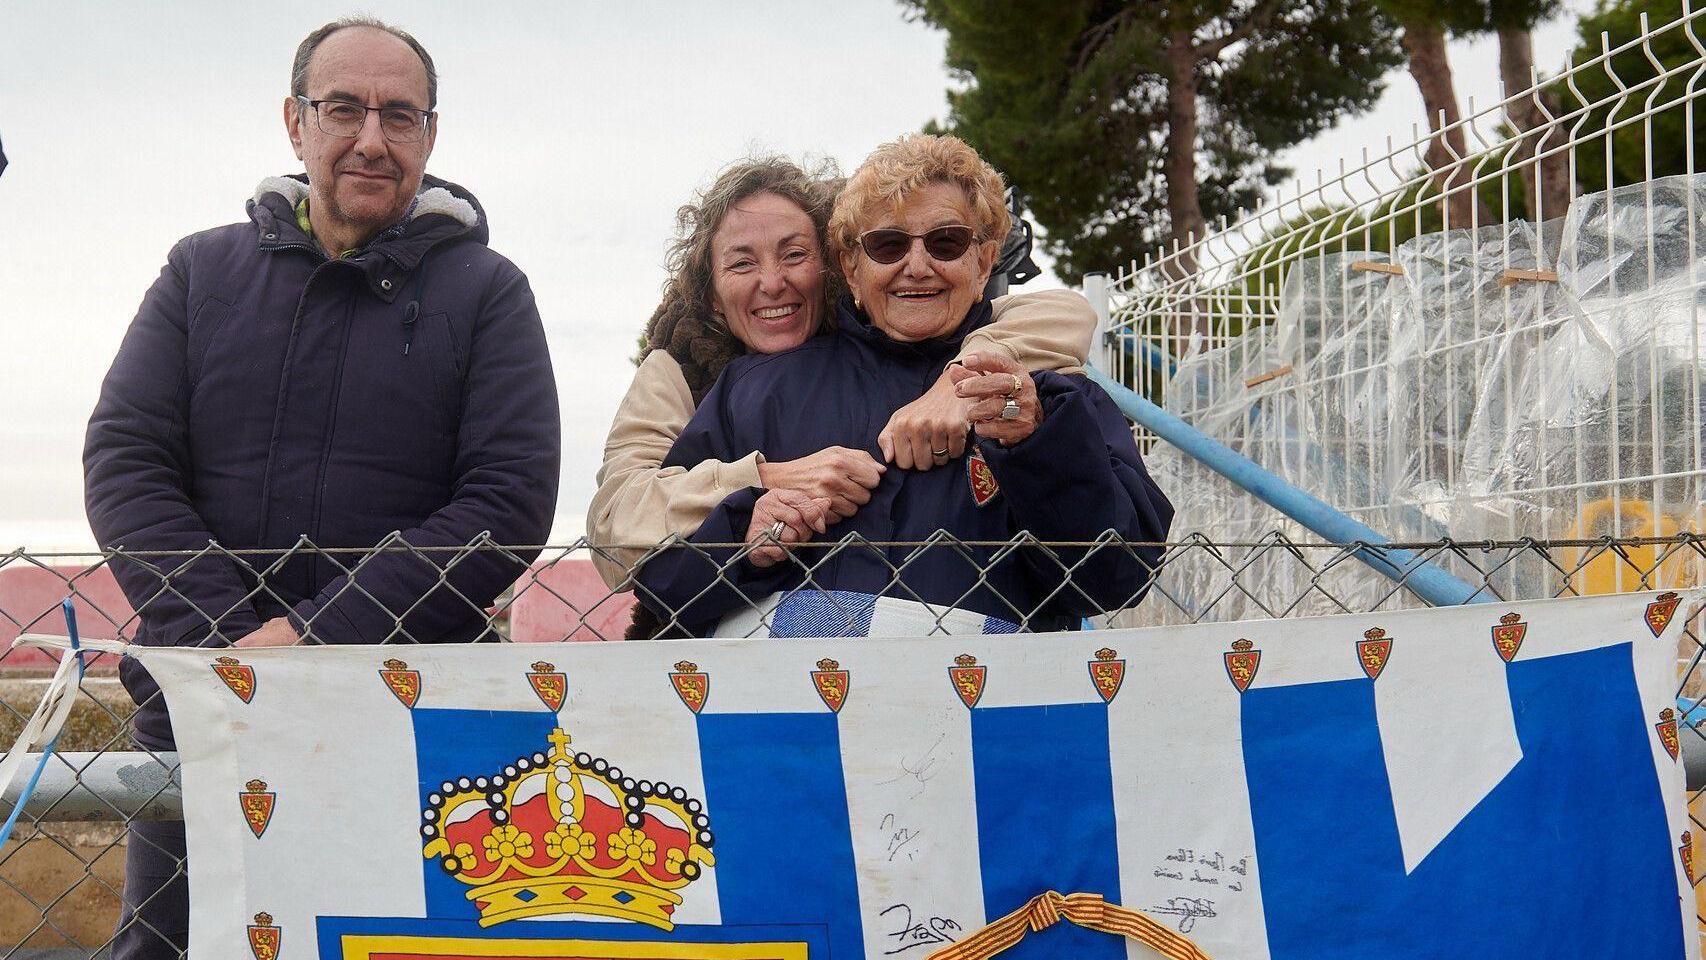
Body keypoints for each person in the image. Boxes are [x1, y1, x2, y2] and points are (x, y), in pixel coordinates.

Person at [81, 17, 559, 958]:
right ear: (294, 122)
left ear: (431, 135)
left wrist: (311, 642)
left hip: (399, 710)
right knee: (175, 946)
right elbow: (126, 459)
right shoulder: (200, 272)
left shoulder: (490, 291)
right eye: (344, 108)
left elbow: (505, 500)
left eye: (400, 115)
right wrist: (231, 648)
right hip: (200, 705)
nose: (372, 139)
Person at [634, 134, 1171, 637]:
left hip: (987, 717)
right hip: (801, 724)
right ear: (850, 266)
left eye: (946, 242)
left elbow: (1117, 578)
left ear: (984, 261)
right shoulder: (752, 391)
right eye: (888, 245)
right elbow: (661, 591)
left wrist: (1032, 446)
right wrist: (743, 537)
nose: (917, 266)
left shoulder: (1044, 395)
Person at [589, 157, 1098, 593]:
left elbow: (1063, 313)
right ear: (711, 296)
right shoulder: (682, 373)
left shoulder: (877, 335)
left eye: (794, 255)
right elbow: (615, 523)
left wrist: (958, 380)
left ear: (835, 267)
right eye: (742, 265)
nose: (773, 282)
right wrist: (765, 479)